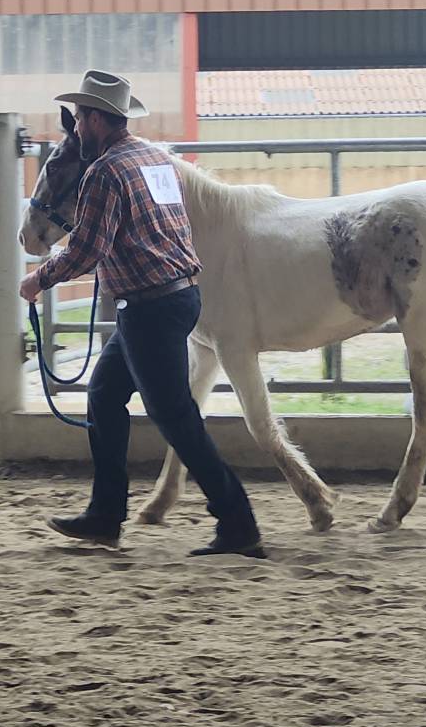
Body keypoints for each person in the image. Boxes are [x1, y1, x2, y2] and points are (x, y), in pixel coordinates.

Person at [19, 70, 265, 559]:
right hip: (176, 296)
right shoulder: (154, 159)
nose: (77, 128)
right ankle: (105, 514)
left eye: (80, 119)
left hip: (149, 306)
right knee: (105, 394)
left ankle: (238, 522)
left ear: (95, 119)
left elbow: (86, 250)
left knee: (175, 417)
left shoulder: (104, 172)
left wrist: (38, 279)